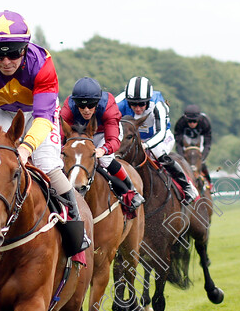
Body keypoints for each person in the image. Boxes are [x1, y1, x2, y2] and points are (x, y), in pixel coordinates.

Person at [0, 9, 90, 255]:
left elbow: (44, 116)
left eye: (13, 53)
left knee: (47, 164)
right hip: (0, 110)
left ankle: (77, 230)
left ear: (25, 47)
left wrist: (25, 149)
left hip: (37, 113)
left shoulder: (42, 63)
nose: (5, 62)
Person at [60, 76, 144, 216]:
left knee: (105, 160)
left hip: (103, 132)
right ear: (75, 103)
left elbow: (113, 140)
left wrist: (103, 150)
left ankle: (130, 190)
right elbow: (60, 134)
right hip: (79, 133)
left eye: (91, 105)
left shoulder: (108, 106)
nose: (86, 110)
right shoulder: (68, 106)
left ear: (97, 103)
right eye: (81, 106)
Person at [116, 76, 198, 204]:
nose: (137, 108)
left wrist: (146, 145)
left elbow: (161, 132)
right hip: (133, 138)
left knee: (158, 151)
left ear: (148, 101)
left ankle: (187, 186)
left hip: (159, 137)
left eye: (142, 104)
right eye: (133, 104)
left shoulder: (158, 105)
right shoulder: (118, 103)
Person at [173, 104, 213, 184]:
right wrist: (182, 158)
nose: (192, 123)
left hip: (199, 140)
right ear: (186, 119)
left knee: (201, 162)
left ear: (198, 119)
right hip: (185, 140)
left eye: (194, 121)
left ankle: (209, 182)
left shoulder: (205, 122)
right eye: (189, 121)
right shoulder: (181, 122)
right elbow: (178, 144)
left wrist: (203, 156)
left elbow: (207, 143)